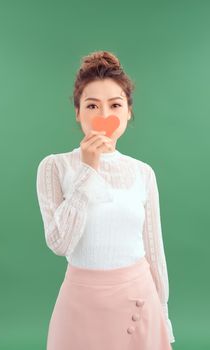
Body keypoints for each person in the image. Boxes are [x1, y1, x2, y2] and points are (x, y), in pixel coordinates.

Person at [36, 50, 175, 350]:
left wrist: (163, 314)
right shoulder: (54, 167)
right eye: (92, 105)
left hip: (138, 302)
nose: (104, 116)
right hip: (80, 304)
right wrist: (88, 168)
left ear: (128, 112)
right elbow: (60, 243)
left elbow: (154, 251)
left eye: (115, 105)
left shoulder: (143, 173)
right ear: (77, 112)